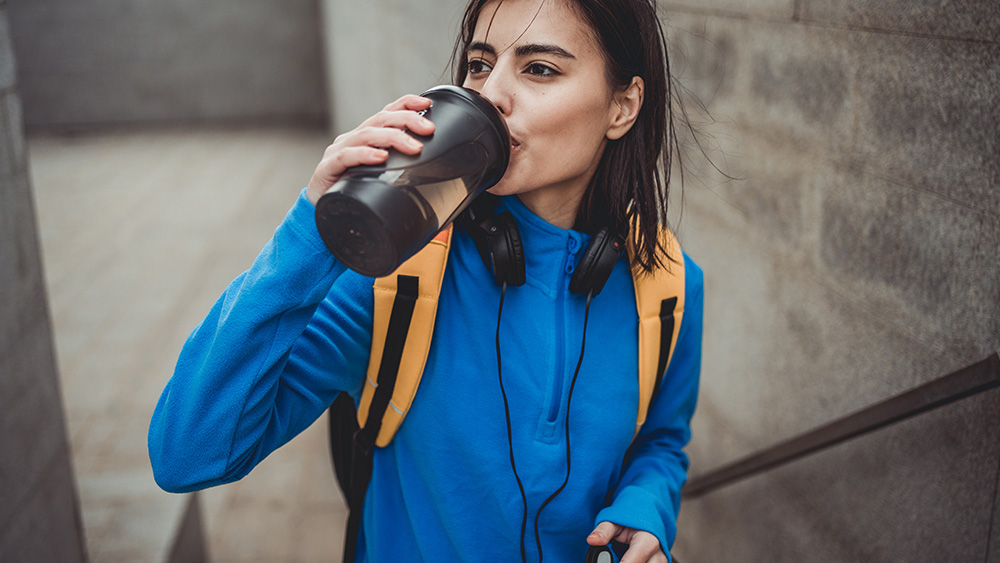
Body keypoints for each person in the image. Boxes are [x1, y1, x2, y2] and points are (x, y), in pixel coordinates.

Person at [148, 0, 704, 561]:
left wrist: (644, 507)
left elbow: (660, 442)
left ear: (622, 106)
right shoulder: (400, 273)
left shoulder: (668, 283)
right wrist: (311, 231)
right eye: (481, 64)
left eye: (540, 68)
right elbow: (187, 453)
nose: (491, 95)